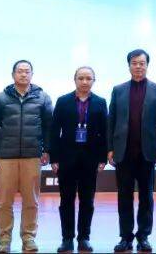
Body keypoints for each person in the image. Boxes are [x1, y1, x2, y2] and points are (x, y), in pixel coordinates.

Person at [0, 60, 54, 254]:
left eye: (27, 71)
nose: (23, 74)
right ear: (13, 74)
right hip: (6, 157)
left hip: (32, 156)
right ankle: (4, 240)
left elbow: (49, 127)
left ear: (32, 74)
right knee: (4, 202)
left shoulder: (43, 98)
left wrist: (47, 150)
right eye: (20, 71)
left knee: (31, 201)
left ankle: (29, 237)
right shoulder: (0, 99)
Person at [108, 49, 156, 253]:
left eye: (142, 63)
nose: (138, 66)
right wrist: (110, 148)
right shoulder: (118, 90)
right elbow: (111, 120)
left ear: (147, 65)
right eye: (134, 63)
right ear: (129, 66)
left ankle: (143, 237)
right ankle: (125, 237)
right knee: (124, 196)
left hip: (147, 153)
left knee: (146, 197)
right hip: (123, 152)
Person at [48, 66, 108, 253]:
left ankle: (84, 238)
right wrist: (54, 157)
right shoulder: (63, 101)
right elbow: (54, 131)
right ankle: (67, 239)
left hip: (90, 159)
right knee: (66, 200)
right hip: (67, 158)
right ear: (74, 80)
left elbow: (104, 132)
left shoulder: (100, 102)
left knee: (87, 201)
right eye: (81, 78)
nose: (84, 81)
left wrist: (102, 158)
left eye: (88, 78)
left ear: (93, 81)